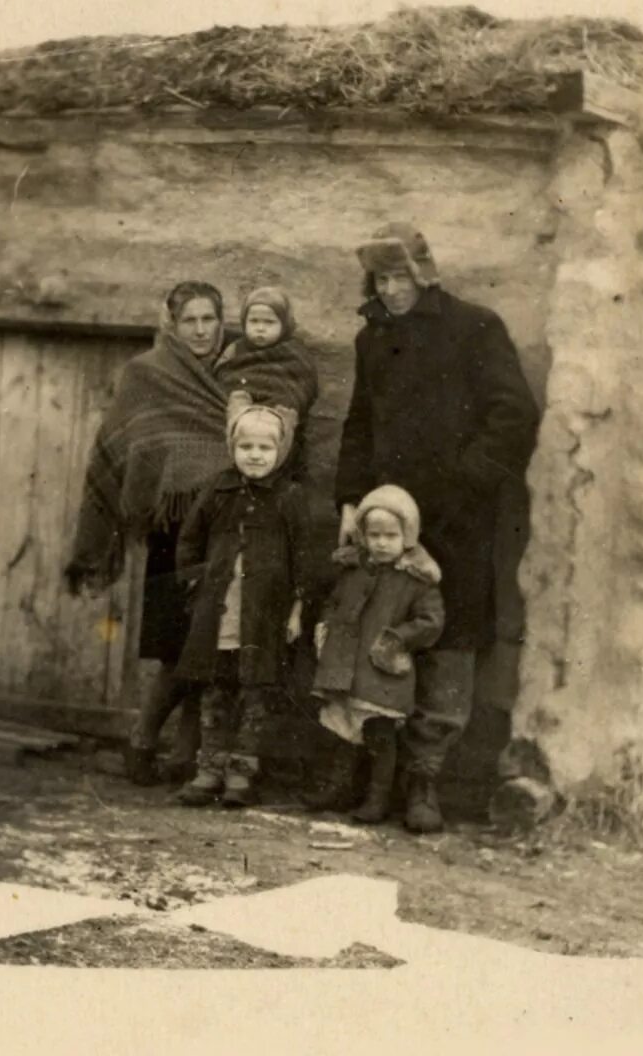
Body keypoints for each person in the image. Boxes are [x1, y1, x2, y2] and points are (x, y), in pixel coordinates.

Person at [334, 222, 540, 833]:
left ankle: (426, 780)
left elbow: (515, 415)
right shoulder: (371, 340)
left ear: (424, 274)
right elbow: (357, 425)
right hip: (385, 522)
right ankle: (373, 776)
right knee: (379, 633)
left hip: (458, 521)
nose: (390, 289)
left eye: (399, 276)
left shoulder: (476, 327)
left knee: (448, 642)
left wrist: (464, 481)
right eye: (380, 279)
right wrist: (350, 502)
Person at [65, 281, 232, 785]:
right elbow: (122, 446)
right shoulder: (146, 373)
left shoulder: (235, 370)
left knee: (213, 645)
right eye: (191, 321)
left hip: (225, 524)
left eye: (209, 319)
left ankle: (181, 756)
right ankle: (144, 743)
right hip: (173, 527)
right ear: (172, 324)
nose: (201, 330)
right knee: (176, 646)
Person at [171, 399, 310, 809]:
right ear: (233, 448)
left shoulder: (289, 497)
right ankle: (209, 769)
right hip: (218, 614)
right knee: (215, 692)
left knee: (254, 696)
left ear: (280, 451)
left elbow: (304, 557)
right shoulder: (218, 489)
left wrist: (297, 609)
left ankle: (241, 774)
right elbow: (190, 541)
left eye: (265, 448)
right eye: (246, 446)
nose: (255, 455)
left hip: (263, 617)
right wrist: (196, 589)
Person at [304, 486, 446, 825]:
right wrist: (326, 625)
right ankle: (339, 789)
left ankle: (377, 798)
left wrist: (398, 639)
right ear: (362, 536)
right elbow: (335, 600)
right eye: (374, 535)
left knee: (379, 736)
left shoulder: (416, 580)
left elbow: (431, 621)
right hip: (345, 666)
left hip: (381, 670)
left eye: (391, 535)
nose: (382, 543)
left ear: (407, 536)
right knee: (342, 730)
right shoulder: (353, 570)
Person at [213, 286, 321, 478]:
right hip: (241, 417)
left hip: (278, 415)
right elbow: (222, 373)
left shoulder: (294, 353)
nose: (260, 328)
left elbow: (304, 387)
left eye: (269, 322)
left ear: (285, 324)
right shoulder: (236, 349)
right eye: (253, 321)